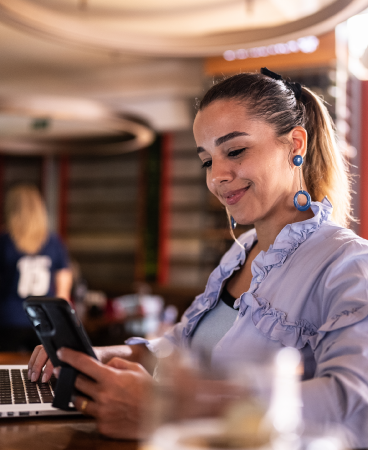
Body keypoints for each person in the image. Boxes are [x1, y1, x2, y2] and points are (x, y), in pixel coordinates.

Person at [28, 69, 368, 447]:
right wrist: (104, 355)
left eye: (235, 151)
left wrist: (174, 408)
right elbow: (182, 345)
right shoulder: (240, 254)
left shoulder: (349, 263)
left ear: (295, 145)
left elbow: (353, 401)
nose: (217, 177)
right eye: (207, 160)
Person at [0, 184, 73, 351]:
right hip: (45, 320)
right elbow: (64, 293)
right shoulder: (54, 242)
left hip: (9, 320)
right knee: (43, 372)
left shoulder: (4, 241)